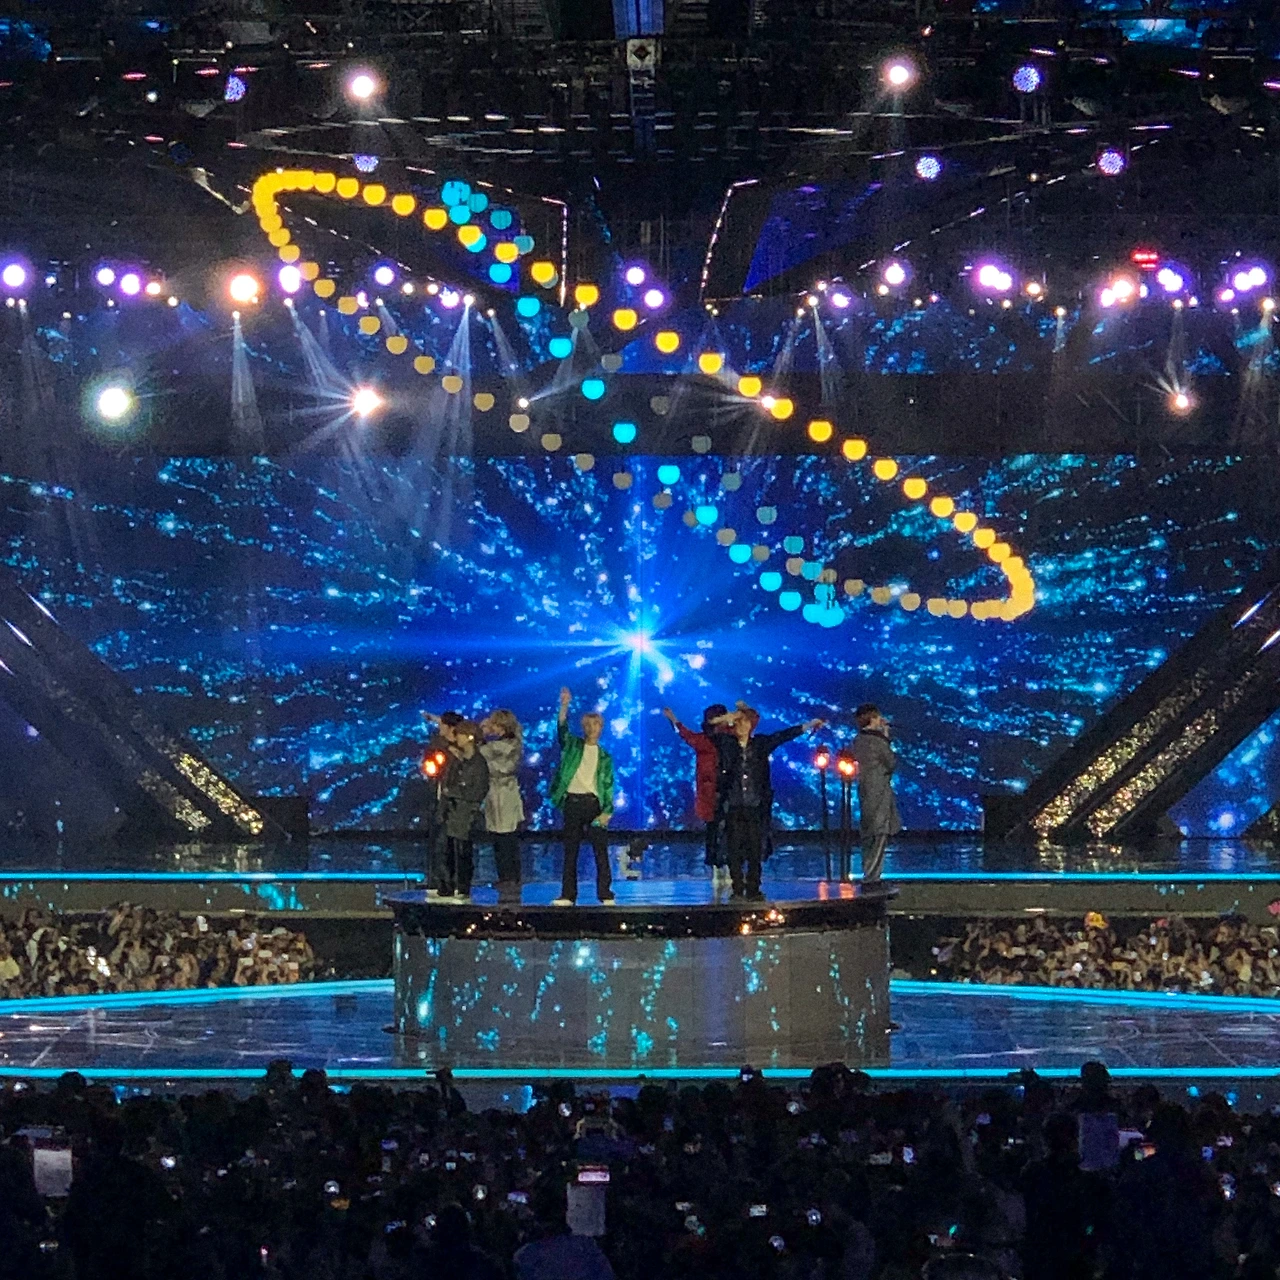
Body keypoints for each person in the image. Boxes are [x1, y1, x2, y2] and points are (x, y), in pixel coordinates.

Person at [713, 706, 825, 900]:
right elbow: (709, 729)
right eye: (738, 723)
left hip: (755, 806)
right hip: (734, 805)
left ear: (751, 725)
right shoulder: (727, 744)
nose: (741, 726)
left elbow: (783, 736)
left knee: (755, 849)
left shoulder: (760, 744)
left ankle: (753, 888)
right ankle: (737, 889)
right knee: (734, 850)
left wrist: (808, 725)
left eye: (744, 722)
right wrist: (726, 718)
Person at [549, 687, 616, 906]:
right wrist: (564, 705)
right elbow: (561, 729)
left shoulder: (605, 757)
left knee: (600, 852)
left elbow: (608, 785)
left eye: (595, 725)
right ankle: (568, 895)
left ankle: (605, 894)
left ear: (601, 728)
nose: (591, 728)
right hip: (573, 803)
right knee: (571, 852)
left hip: (593, 804)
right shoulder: (573, 746)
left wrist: (607, 811)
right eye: (588, 725)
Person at [662, 703, 730, 887]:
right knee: (713, 830)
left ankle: (729, 867)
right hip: (711, 795)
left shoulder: (732, 738)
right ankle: (717, 867)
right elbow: (685, 734)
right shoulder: (703, 741)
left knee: (730, 830)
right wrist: (673, 720)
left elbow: (752, 719)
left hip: (731, 791)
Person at [435, 719, 490, 901]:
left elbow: (478, 790)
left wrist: (453, 792)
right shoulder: (460, 761)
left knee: (463, 852)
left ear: (469, 737)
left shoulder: (478, 763)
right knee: (448, 851)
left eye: (460, 734)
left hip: (466, 814)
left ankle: (462, 887)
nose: (457, 737)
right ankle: (448, 885)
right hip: (452, 813)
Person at [850, 703, 901, 882]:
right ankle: (873, 877)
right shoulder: (878, 741)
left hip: (865, 788)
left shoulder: (858, 740)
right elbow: (891, 762)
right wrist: (886, 736)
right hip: (879, 789)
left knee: (868, 833)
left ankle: (868, 872)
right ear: (872, 719)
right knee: (879, 832)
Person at [479, 709, 525, 899]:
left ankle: (511, 877)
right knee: (498, 838)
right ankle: (505, 876)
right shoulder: (496, 745)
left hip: (506, 794)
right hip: (494, 794)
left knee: (507, 837)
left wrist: (482, 738)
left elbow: (500, 766)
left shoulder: (510, 744)